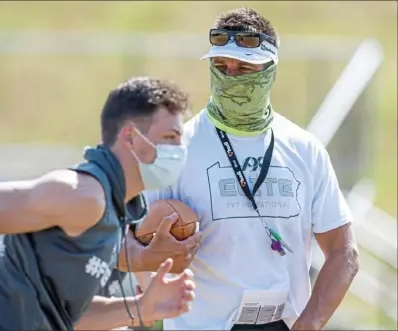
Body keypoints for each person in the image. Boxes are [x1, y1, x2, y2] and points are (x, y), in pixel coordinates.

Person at [137, 7, 360, 331]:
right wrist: (155, 259)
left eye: (244, 68)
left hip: (284, 322)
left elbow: (344, 253)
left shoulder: (305, 149)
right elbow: (134, 246)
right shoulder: (173, 150)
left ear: (270, 70)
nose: (230, 77)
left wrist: (310, 322)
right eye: (220, 66)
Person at [0, 77, 199, 330]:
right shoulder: (84, 195)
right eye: (170, 136)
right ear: (131, 138)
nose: (179, 149)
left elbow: (68, 315)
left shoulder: (116, 207)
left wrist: (142, 307)